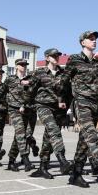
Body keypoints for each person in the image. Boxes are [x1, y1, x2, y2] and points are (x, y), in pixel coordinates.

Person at [62, 30, 98, 188]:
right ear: (82, 42)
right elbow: (64, 81)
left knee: (84, 140)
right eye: (90, 39)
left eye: (95, 39)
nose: (94, 41)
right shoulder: (74, 59)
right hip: (81, 102)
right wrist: (62, 101)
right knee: (92, 136)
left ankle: (75, 174)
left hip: (95, 104)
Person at [23, 48, 72, 179]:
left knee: (48, 139)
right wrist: (25, 105)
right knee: (54, 130)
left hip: (57, 109)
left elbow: (66, 91)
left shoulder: (63, 73)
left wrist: (63, 103)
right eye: (53, 56)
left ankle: (42, 167)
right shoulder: (39, 73)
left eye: (58, 56)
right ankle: (62, 160)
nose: (56, 57)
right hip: (43, 106)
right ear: (47, 57)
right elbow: (30, 90)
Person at [0, 59, 38, 172]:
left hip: (27, 109)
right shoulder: (10, 79)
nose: (23, 67)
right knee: (21, 133)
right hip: (14, 109)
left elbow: (34, 91)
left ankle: (11, 161)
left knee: (19, 136)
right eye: (21, 65)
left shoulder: (30, 79)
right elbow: (1, 91)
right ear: (16, 66)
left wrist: (29, 83)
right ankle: (26, 160)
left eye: (25, 65)